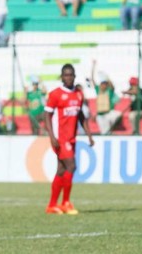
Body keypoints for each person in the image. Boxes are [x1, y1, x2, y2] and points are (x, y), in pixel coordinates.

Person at [44, 64, 95, 215]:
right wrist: (52, 137)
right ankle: (66, 202)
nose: (68, 77)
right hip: (60, 138)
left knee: (61, 170)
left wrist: (89, 135)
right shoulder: (55, 94)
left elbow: (80, 116)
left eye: (71, 75)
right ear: (62, 77)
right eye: (65, 75)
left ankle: (52, 205)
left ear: (74, 76)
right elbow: (47, 116)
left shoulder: (78, 94)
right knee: (71, 166)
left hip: (72, 138)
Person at [91, 60, 121, 135]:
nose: (104, 85)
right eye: (102, 84)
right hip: (100, 115)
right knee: (104, 132)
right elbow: (92, 79)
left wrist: (106, 77)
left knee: (117, 114)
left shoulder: (109, 91)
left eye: (105, 84)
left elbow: (112, 85)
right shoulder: (98, 90)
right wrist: (93, 66)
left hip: (108, 113)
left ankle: (113, 126)